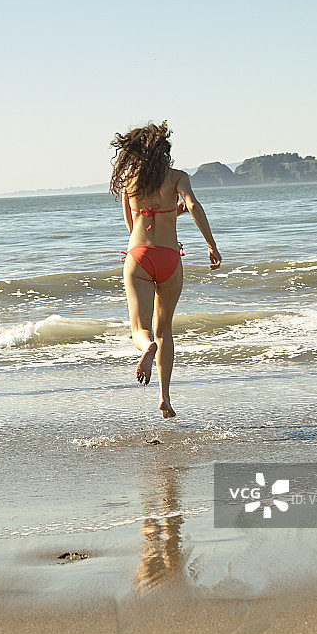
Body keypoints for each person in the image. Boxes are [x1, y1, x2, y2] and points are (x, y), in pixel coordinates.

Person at [110, 121, 222, 418]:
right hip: (170, 259)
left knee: (141, 329)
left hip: (139, 257)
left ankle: (146, 348)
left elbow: (132, 227)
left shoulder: (129, 181)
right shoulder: (178, 177)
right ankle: (165, 397)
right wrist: (211, 245)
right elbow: (194, 205)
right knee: (166, 329)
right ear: (165, 153)